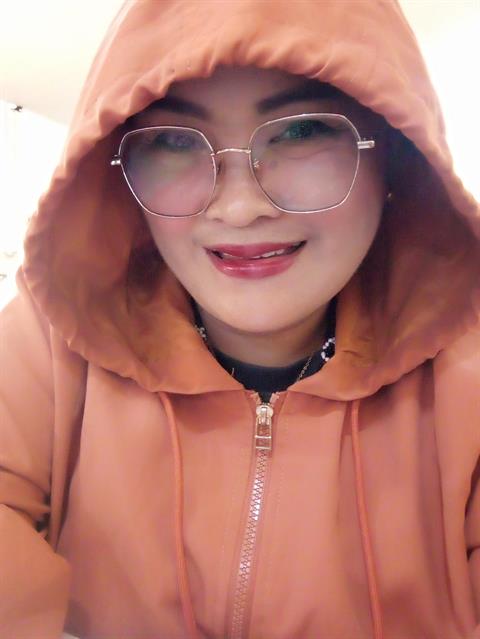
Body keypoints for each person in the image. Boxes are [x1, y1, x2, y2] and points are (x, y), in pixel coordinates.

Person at [1, 0, 480, 637]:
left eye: (301, 131)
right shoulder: (58, 331)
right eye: (174, 141)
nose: (238, 206)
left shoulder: (466, 376)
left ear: (394, 155)